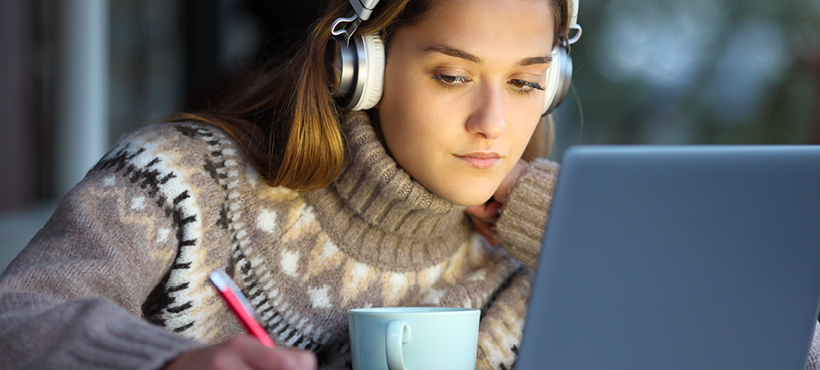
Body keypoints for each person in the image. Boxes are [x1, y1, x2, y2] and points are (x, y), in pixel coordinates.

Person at [0, 0, 818, 370]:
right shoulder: (182, 180)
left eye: (528, 82)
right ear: (364, 69)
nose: (495, 123)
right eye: (454, 75)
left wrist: (590, 240)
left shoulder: (535, 271)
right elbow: (17, 318)